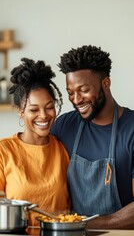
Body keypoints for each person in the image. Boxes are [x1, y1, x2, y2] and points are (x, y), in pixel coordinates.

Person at [51, 45, 134, 229]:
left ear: (106, 83)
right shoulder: (64, 126)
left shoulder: (132, 129)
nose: (76, 99)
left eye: (83, 90)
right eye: (70, 92)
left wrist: (88, 224)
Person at [0, 58, 70, 226]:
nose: (44, 115)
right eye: (33, 109)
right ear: (19, 110)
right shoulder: (4, 151)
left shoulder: (62, 150)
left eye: (49, 107)